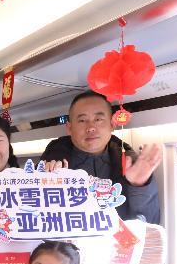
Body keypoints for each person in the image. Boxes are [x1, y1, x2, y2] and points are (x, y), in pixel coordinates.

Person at [41, 91, 162, 223]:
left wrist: (139, 186)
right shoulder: (49, 167)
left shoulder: (130, 165)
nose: (91, 128)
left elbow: (148, 224)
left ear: (112, 125)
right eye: (82, 120)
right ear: (69, 128)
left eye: (98, 119)